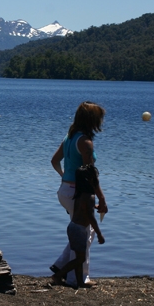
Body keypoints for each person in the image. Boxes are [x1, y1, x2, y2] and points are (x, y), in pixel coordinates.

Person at [50, 101, 108, 286]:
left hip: (65, 191)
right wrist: (102, 198)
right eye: (99, 118)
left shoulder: (70, 137)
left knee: (83, 231)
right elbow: (90, 174)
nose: (101, 122)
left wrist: (65, 178)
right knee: (83, 233)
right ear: (92, 120)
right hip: (78, 193)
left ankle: (60, 266)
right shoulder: (85, 142)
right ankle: (78, 278)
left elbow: (54, 161)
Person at [52, 165, 105, 288]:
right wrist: (99, 234)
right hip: (79, 230)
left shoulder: (79, 194)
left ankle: (79, 282)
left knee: (79, 257)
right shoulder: (90, 197)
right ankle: (58, 275)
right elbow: (91, 217)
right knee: (80, 259)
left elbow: (84, 209)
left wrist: (96, 207)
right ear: (90, 180)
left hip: (73, 227)